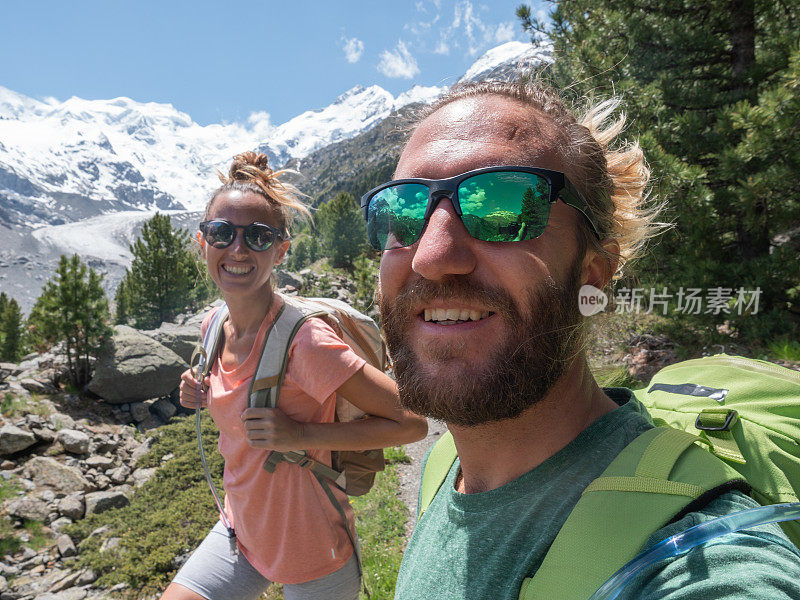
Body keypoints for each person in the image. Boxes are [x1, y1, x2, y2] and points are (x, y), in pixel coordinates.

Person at [360, 80, 800, 599]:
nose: (430, 256)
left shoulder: (698, 552)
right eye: (404, 213)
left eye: (502, 208)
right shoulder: (443, 466)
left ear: (591, 276)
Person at [161, 151, 427, 600]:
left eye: (259, 237)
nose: (238, 249)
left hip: (315, 549)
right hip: (240, 531)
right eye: (222, 233)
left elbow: (413, 423)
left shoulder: (306, 343)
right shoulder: (212, 325)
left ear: (282, 250)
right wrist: (203, 394)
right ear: (203, 242)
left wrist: (299, 433)